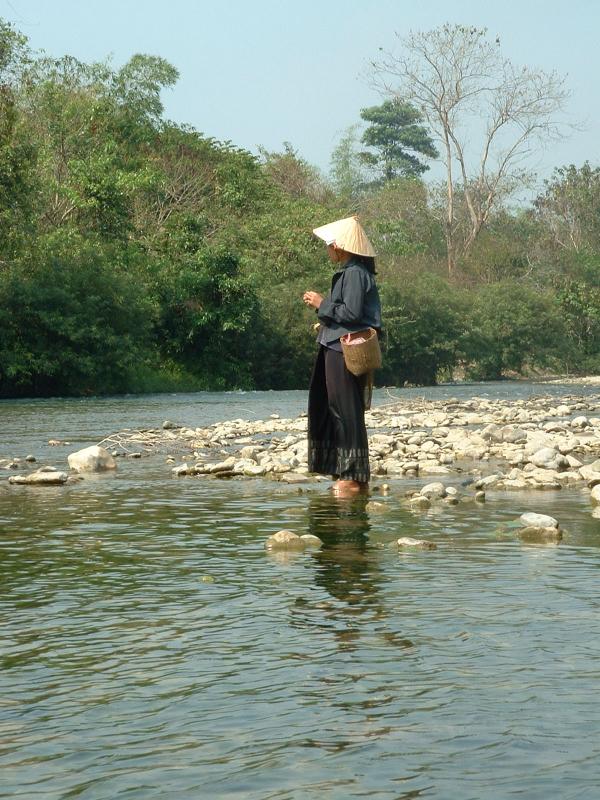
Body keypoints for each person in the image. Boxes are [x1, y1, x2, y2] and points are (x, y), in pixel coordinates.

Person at [303, 215, 382, 497]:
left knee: (345, 410)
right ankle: (351, 474)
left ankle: (352, 475)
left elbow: (351, 313)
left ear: (339, 246)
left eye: (329, 246)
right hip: (336, 346)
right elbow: (348, 314)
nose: (328, 250)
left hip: (342, 350)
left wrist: (321, 304)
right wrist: (325, 318)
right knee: (339, 408)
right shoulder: (353, 273)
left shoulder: (355, 274)